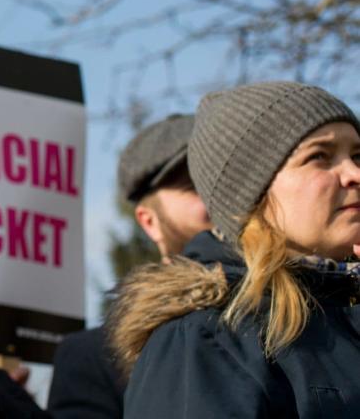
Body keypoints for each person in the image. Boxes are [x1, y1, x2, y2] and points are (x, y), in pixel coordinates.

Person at [110, 82, 360, 418]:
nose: (354, 174)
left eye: (357, 155)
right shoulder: (207, 338)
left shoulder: (346, 314)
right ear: (252, 193)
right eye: (319, 157)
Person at [46, 114, 212, 418]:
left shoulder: (301, 314)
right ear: (149, 222)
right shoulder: (96, 357)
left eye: (224, 178)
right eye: (194, 185)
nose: (218, 196)